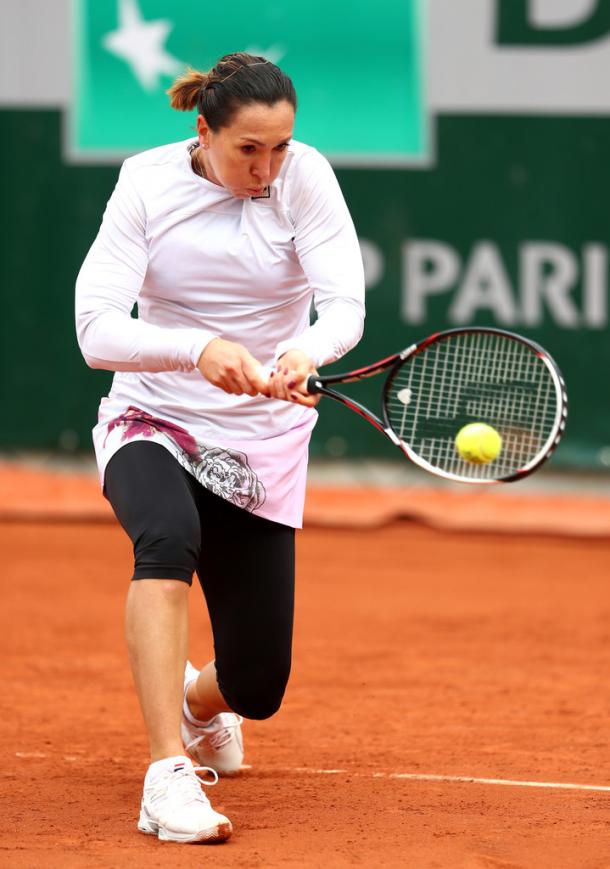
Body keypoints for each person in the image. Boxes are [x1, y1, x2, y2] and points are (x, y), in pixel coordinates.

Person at [75, 51, 365, 845]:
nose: (268, 168)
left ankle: (196, 706)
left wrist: (306, 351)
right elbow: (96, 329)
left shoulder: (305, 178)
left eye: (280, 147)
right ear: (203, 130)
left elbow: (344, 305)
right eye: (248, 150)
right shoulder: (145, 182)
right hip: (154, 418)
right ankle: (166, 776)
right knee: (165, 539)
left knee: (258, 684)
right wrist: (196, 347)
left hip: (260, 441)